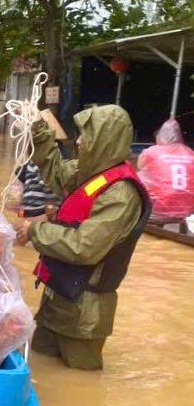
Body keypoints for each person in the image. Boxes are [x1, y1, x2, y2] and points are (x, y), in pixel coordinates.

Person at [15, 105, 152, 370]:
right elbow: (55, 171)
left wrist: (35, 230)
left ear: (104, 140)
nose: (78, 141)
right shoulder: (89, 173)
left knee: (82, 381)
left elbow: (84, 247)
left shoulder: (121, 194)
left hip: (83, 313)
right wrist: (37, 128)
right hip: (56, 301)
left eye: (85, 135)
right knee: (39, 369)